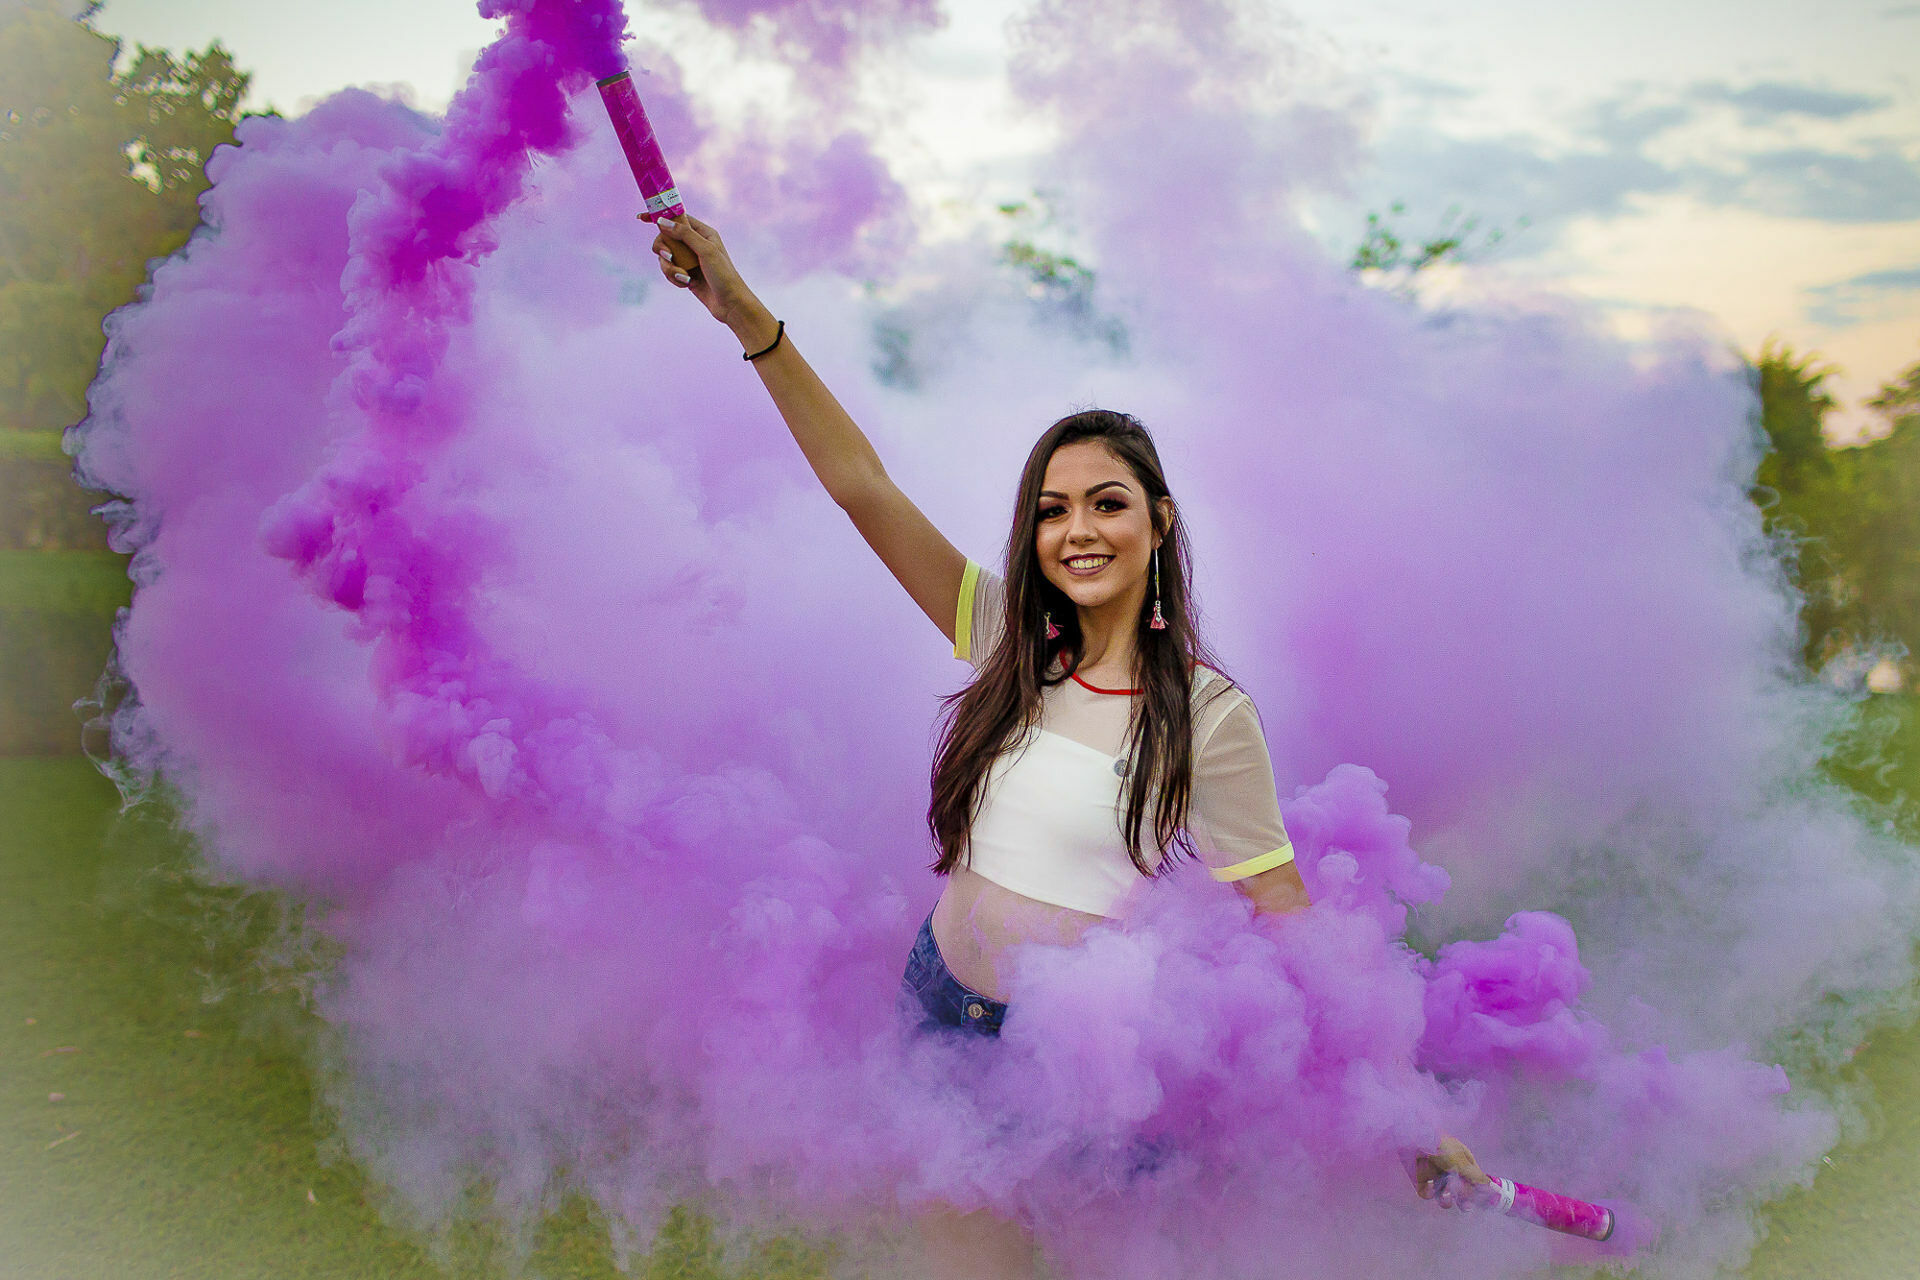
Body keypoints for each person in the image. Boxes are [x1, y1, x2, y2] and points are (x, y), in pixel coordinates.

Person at [647, 214, 1487, 1275]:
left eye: (1107, 503)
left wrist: (1408, 1116)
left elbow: (1289, 923)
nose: (1077, 529)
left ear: (1159, 521)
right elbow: (862, 485)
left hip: (1078, 1057)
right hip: (939, 1010)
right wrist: (745, 313)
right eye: (1052, 510)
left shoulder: (1209, 715)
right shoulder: (1007, 635)